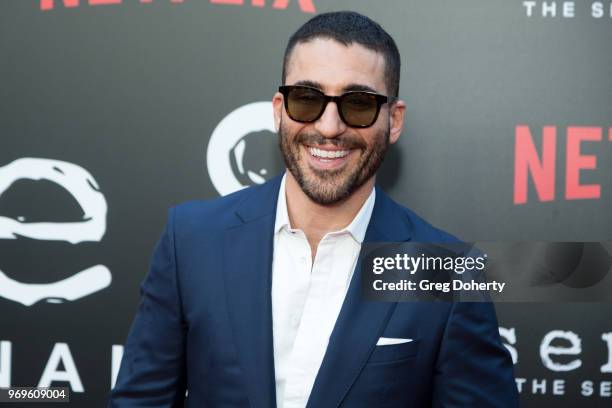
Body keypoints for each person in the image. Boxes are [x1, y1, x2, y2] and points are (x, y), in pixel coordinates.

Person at [109, 11, 518, 408]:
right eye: (307, 98)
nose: (328, 126)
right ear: (278, 110)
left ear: (393, 120)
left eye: (358, 103)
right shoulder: (193, 240)